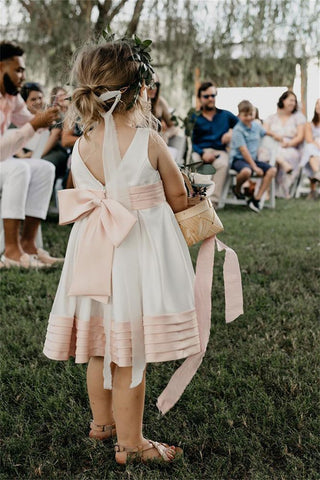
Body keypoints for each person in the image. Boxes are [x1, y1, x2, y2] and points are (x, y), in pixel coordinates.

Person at [43, 38, 204, 465]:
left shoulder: (80, 144)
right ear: (139, 90)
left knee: (99, 344)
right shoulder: (149, 141)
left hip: (94, 255)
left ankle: (102, 425)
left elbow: (84, 191)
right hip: (135, 256)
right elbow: (177, 199)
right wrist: (196, 193)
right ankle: (132, 445)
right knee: (129, 351)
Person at [0, 41, 62, 268]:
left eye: (23, 70)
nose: (22, 75)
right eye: (17, 69)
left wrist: (47, 117)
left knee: (46, 168)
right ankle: (11, 252)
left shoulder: (11, 97)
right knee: (19, 168)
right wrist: (35, 125)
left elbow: (29, 120)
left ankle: (28, 245)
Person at [191, 81, 239, 206]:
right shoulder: (194, 117)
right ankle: (197, 200)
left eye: (213, 95)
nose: (210, 99)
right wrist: (202, 153)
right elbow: (191, 141)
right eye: (206, 96)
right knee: (193, 161)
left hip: (220, 151)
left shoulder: (226, 115)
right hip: (201, 150)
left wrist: (231, 133)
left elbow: (243, 126)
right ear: (200, 98)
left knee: (222, 164)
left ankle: (214, 203)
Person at [230, 100, 277, 213]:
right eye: (245, 115)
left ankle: (256, 199)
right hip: (239, 159)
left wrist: (276, 136)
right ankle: (237, 189)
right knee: (247, 171)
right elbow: (244, 151)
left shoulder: (256, 126)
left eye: (251, 114)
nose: (249, 117)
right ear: (239, 115)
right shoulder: (238, 130)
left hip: (253, 159)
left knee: (272, 170)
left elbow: (264, 132)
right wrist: (255, 167)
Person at [20, 82, 69, 179]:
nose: (38, 102)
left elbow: (54, 137)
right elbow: (15, 137)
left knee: (43, 166)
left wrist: (36, 155)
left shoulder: (53, 113)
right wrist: (22, 156)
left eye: (40, 98)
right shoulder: (20, 117)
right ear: (25, 102)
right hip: (29, 153)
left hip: (52, 151)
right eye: (33, 99)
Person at [264, 90, 306, 197]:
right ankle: (268, 189)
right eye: (290, 100)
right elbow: (264, 130)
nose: (293, 103)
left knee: (284, 154)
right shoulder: (271, 117)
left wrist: (289, 144)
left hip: (290, 146)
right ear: (283, 100)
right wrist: (274, 135)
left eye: (294, 101)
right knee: (268, 153)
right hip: (273, 145)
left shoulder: (299, 117)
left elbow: (300, 136)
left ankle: (281, 190)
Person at [302, 98, 320, 199]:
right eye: (317, 103)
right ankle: (317, 173)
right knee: (310, 150)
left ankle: (313, 189)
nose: (319, 106)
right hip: (314, 150)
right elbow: (309, 139)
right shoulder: (309, 124)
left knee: (312, 156)